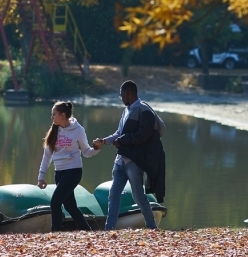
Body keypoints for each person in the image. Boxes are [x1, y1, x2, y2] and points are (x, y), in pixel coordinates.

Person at [93, 80, 165, 230]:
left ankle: (152, 227)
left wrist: (122, 140)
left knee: (138, 197)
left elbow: (143, 135)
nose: (121, 99)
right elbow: (118, 134)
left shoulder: (143, 110)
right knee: (113, 194)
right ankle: (109, 229)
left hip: (134, 162)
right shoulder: (126, 111)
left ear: (128, 93)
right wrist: (104, 141)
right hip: (120, 160)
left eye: (121, 95)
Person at [37, 100, 101, 231]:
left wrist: (96, 148)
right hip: (59, 172)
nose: (52, 117)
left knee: (55, 202)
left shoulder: (78, 130)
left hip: (73, 172)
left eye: (54, 114)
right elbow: (47, 155)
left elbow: (87, 152)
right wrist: (41, 176)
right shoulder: (54, 130)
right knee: (70, 206)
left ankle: (55, 234)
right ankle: (87, 230)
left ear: (62, 115)